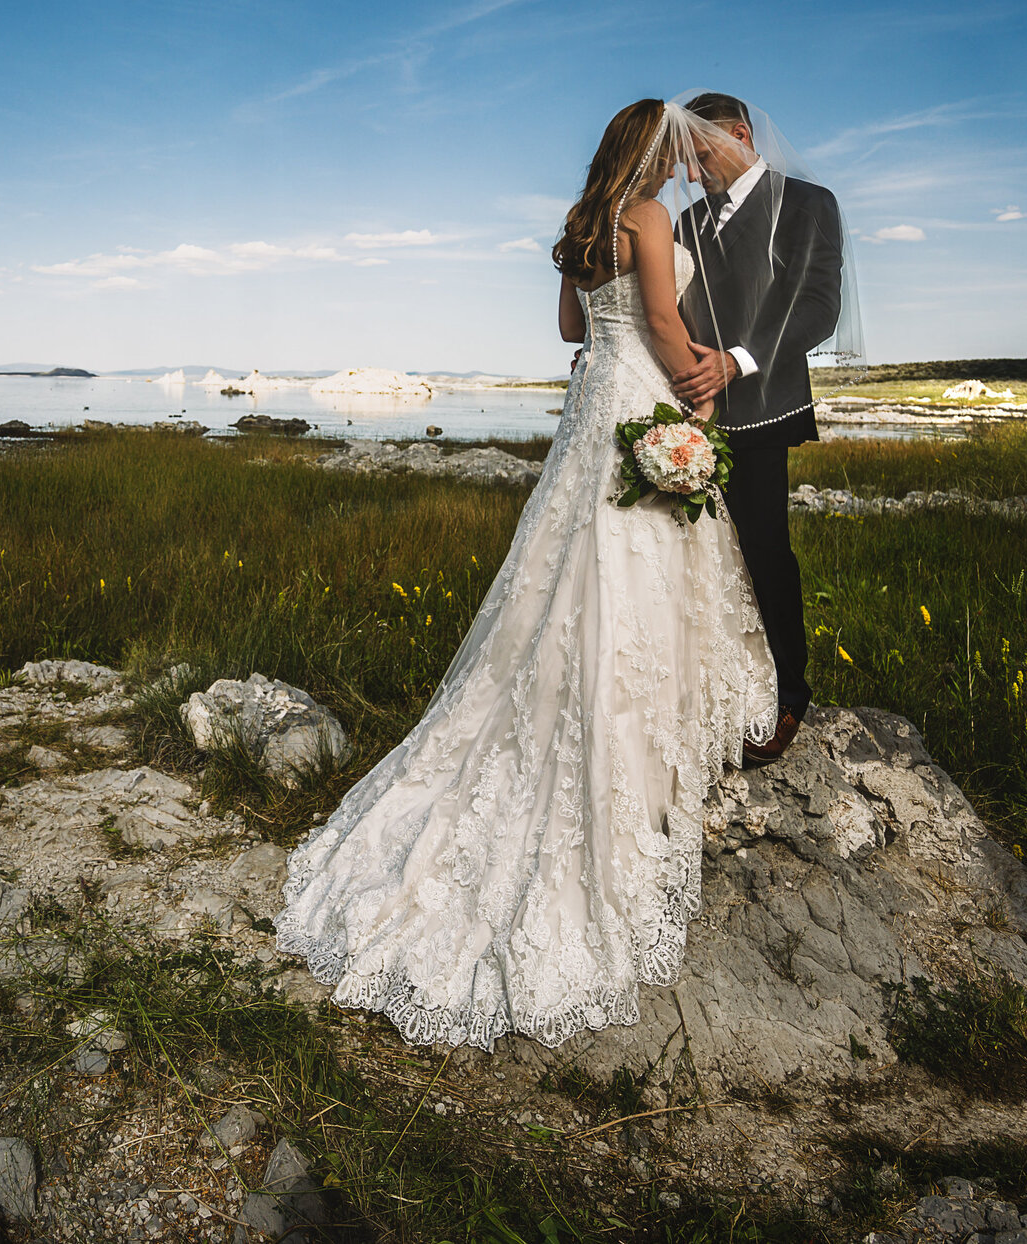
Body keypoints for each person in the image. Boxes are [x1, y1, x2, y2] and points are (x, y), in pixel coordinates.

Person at [274, 99, 780, 1052]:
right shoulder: (651, 218)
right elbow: (667, 326)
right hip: (637, 392)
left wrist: (627, 340)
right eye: (672, 153)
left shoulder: (582, 225)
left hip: (591, 401)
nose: (681, 168)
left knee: (563, 561)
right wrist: (698, 394)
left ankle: (564, 696)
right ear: (648, 153)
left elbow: (567, 330)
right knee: (632, 555)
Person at [666, 92, 851, 768]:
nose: (693, 170)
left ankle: (787, 696)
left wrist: (736, 363)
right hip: (685, 412)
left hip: (762, 407)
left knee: (764, 549)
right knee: (689, 559)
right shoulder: (685, 221)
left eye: (701, 153)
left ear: (741, 133)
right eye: (685, 160)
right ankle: (708, 690)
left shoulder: (808, 203)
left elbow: (819, 307)